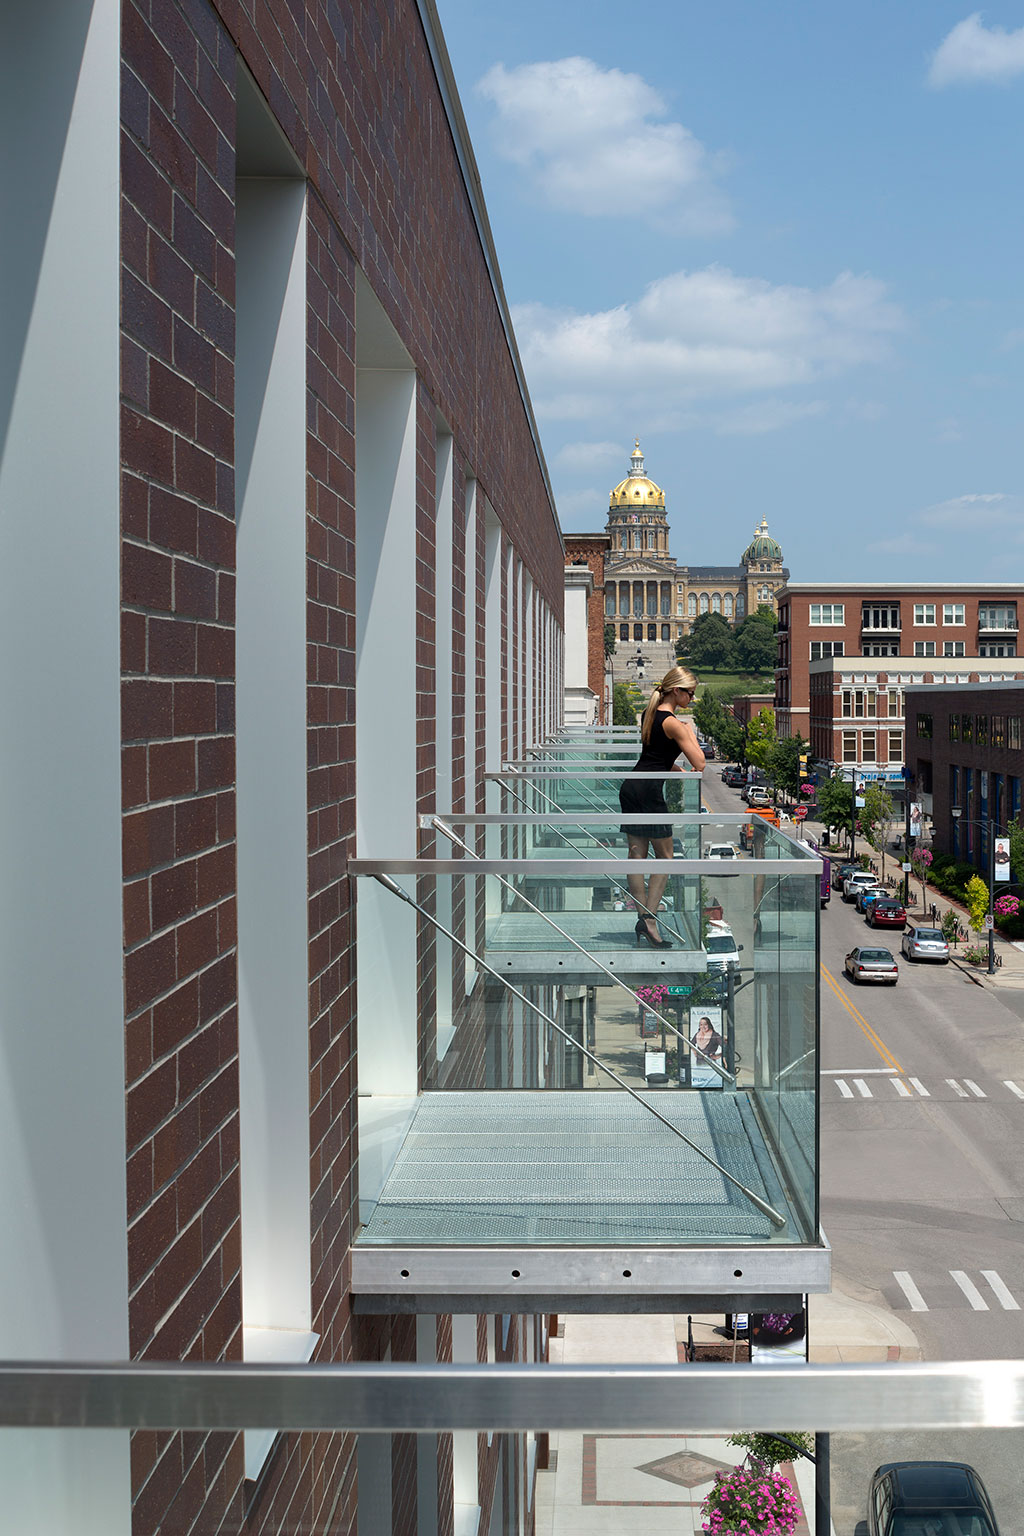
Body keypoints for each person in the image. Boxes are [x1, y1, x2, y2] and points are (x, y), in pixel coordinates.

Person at [619, 665, 705, 947]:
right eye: (689, 694)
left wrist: (676, 770)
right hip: (649, 793)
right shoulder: (672, 722)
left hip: (633, 787)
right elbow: (701, 762)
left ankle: (645, 920)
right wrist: (689, 731)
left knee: (636, 856)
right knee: (666, 857)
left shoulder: (649, 713)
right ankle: (649, 919)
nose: (691, 699)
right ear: (676, 691)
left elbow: (655, 756)